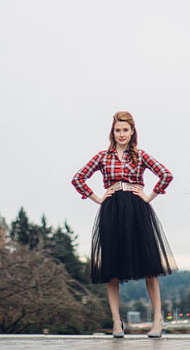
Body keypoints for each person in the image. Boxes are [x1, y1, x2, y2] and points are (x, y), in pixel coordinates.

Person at [72, 111, 177, 338]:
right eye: (118, 130)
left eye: (125, 130)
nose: (121, 134)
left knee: (149, 265)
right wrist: (98, 198)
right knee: (111, 268)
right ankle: (116, 322)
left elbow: (166, 175)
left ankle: (157, 320)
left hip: (137, 210)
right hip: (111, 211)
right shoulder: (102, 156)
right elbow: (78, 178)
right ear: (113, 132)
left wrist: (149, 196)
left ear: (132, 132)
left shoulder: (140, 156)